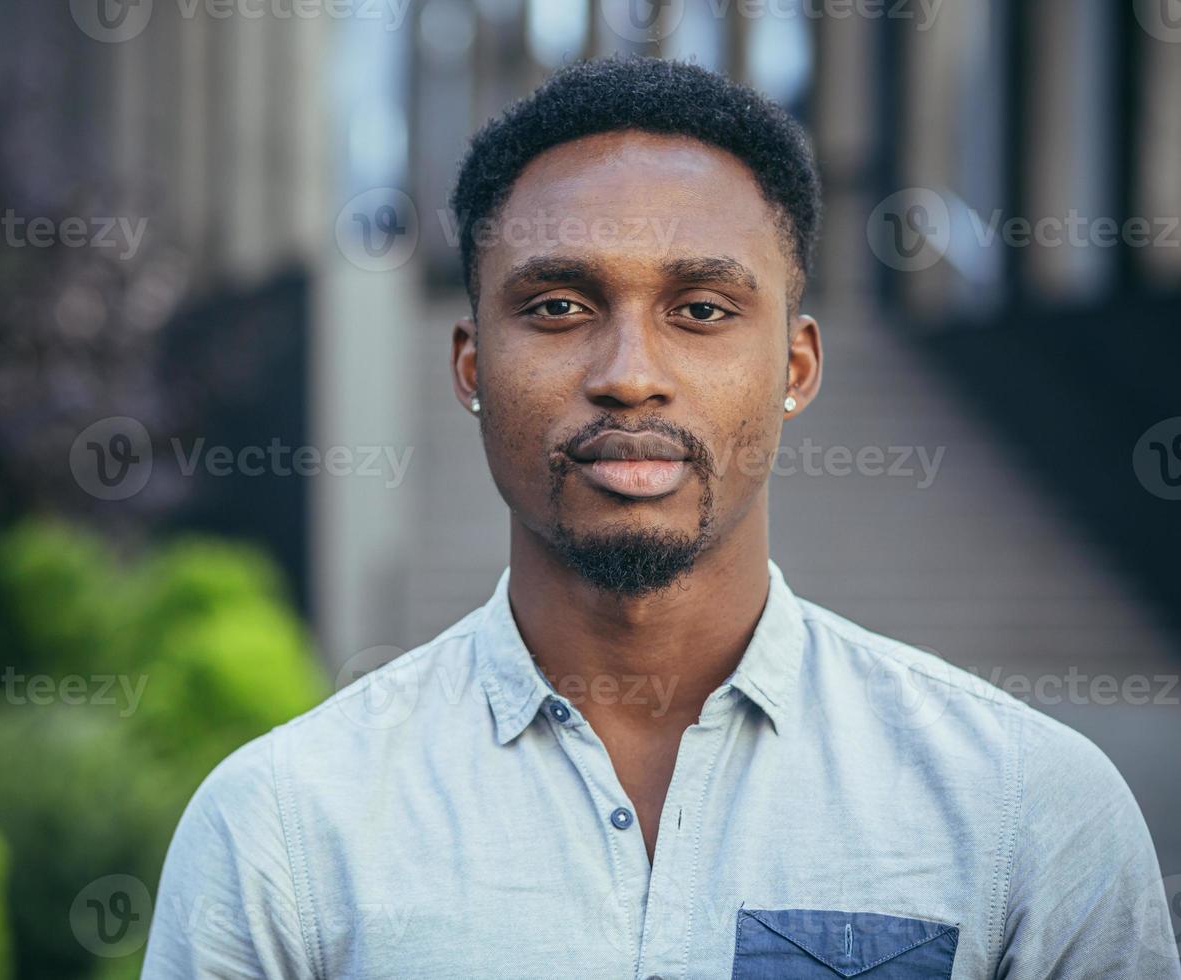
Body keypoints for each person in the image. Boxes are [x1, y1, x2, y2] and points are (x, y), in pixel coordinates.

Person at [142, 57, 1180, 979]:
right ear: (470, 366)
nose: (630, 375)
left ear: (798, 366)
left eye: (703, 310)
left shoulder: (1028, 813)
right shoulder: (284, 825)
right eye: (557, 306)